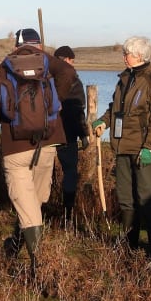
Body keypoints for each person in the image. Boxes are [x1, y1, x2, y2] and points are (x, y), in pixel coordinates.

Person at [0, 28, 79, 278]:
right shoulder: (48, 61)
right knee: (36, 200)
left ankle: (38, 265)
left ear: (16, 44)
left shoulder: (5, 66)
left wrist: (1, 116)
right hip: (48, 142)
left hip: (16, 146)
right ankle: (17, 245)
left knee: (26, 204)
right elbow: (70, 73)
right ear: (38, 44)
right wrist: (53, 102)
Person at [92, 36, 151, 257]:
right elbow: (115, 109)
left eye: (128, 53)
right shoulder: (123, 79)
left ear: (140, 56)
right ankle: (128, 248)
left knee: (148, 199)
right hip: (122, 148)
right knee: (126, 199)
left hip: (143, 150)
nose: (124, 57)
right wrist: (103, 121)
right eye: (125, 53)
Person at [53, 45, 90, 224]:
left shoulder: (44, 76)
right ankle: (67, 215)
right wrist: (83, 134)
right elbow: (77, 110)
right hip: (66, 133)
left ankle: (36, 212)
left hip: (45, 133)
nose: (73, 64)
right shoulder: (73, 80)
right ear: (65, 59)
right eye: (71, 60)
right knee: (70, 173)